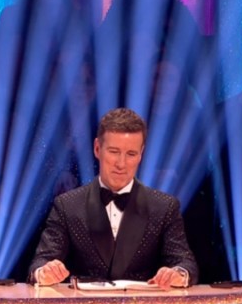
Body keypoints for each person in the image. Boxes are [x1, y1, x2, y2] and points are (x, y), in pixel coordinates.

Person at [29, 107, 198, 288]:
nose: (121, 164)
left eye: (131, 154)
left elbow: (185, 263)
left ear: (141, 154)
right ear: (97, 148)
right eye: (114, 152)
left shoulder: (164, 207)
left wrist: (178, 274)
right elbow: (40, 262)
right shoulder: (67, 205)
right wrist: (45, 272)